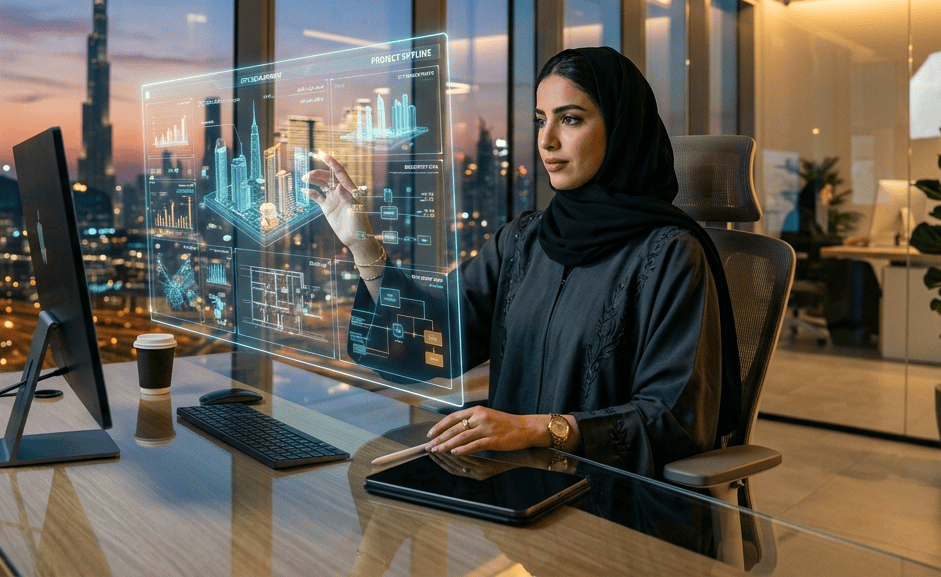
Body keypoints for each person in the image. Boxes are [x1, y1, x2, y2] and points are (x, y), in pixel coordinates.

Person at [304, 47, 740, 477]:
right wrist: (363, 243)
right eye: (540, 120)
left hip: (613, 508)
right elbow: (436, 334)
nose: (547, 140)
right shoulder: (523, 241)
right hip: (512, 488)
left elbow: (674, 419)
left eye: (570, 119)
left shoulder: (672, 254)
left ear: (622, 129)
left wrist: (537, 430)